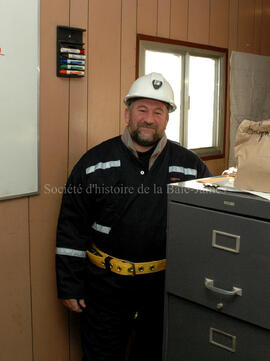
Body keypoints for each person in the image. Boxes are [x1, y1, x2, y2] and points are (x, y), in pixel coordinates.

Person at [56, 72, 211, 361]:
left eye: (158, 111)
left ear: (166, 119)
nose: (149, 119)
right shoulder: (94, 163)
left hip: (163, 289)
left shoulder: (191, 168)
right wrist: (69, 285)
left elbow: (207, 228)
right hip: (104, 290)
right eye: (142, 109)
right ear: (127, 113)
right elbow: (71, 227)